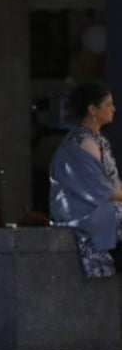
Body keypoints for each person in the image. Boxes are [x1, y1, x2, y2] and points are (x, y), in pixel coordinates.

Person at [49, 80, 122, 278]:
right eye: (108, 104)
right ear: (92, 109)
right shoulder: (84, 141)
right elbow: (101, 190)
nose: (113, 109)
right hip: (82, 210)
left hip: (101, 205)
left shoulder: (98, 139)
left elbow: (113, 184)